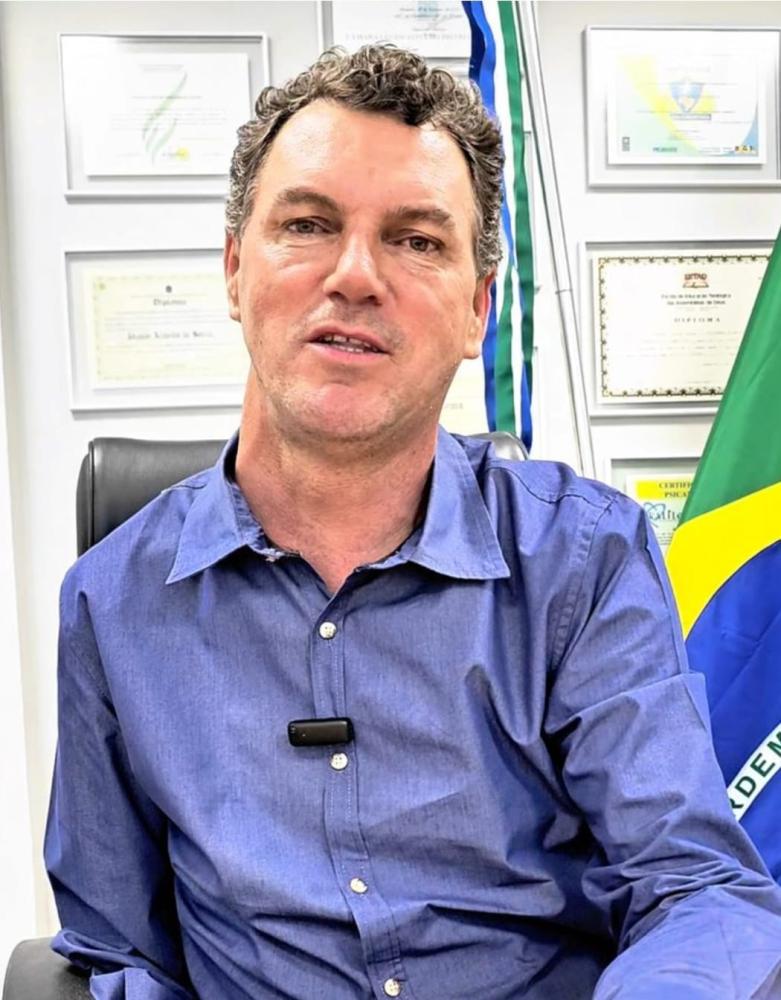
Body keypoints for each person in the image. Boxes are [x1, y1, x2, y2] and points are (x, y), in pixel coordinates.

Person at [45, 45, 781, 1000]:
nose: (355, 275)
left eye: (417, 240)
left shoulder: (585, 561)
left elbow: (693, 888)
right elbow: (119, 950)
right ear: (233, 269)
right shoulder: (112, 601)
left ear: (476, 310)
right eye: (307, 224)